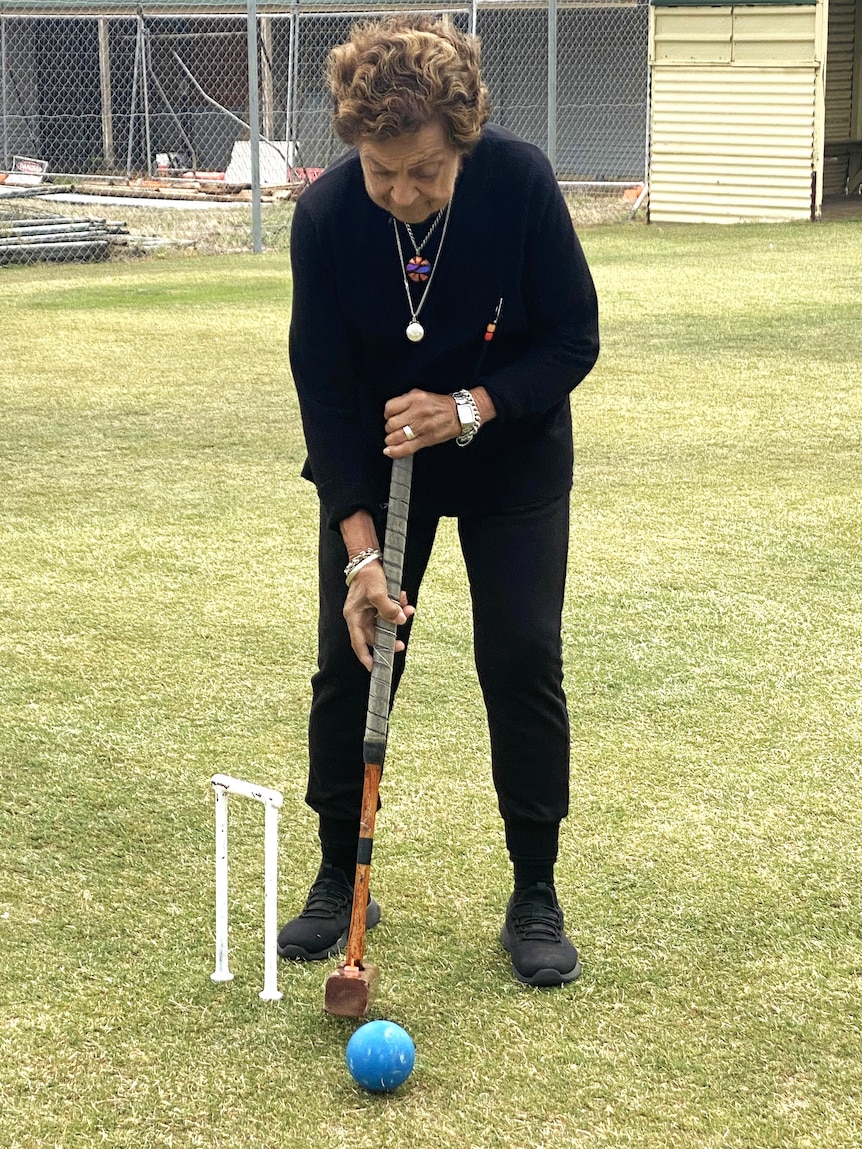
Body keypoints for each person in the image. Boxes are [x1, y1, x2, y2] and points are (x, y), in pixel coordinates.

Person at [277, 14, 599, 987]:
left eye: (424, 171)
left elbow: (572, 339)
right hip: (379, 463)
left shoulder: (519, 183)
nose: (404, 194)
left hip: (510, 457)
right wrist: (360, 551)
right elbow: (325, 393)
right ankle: (340, 875)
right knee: (353, 662)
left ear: (462, 140)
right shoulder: (329, 217)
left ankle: (534, 888)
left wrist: (469, 405)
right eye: (383, 173)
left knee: (522, 661)